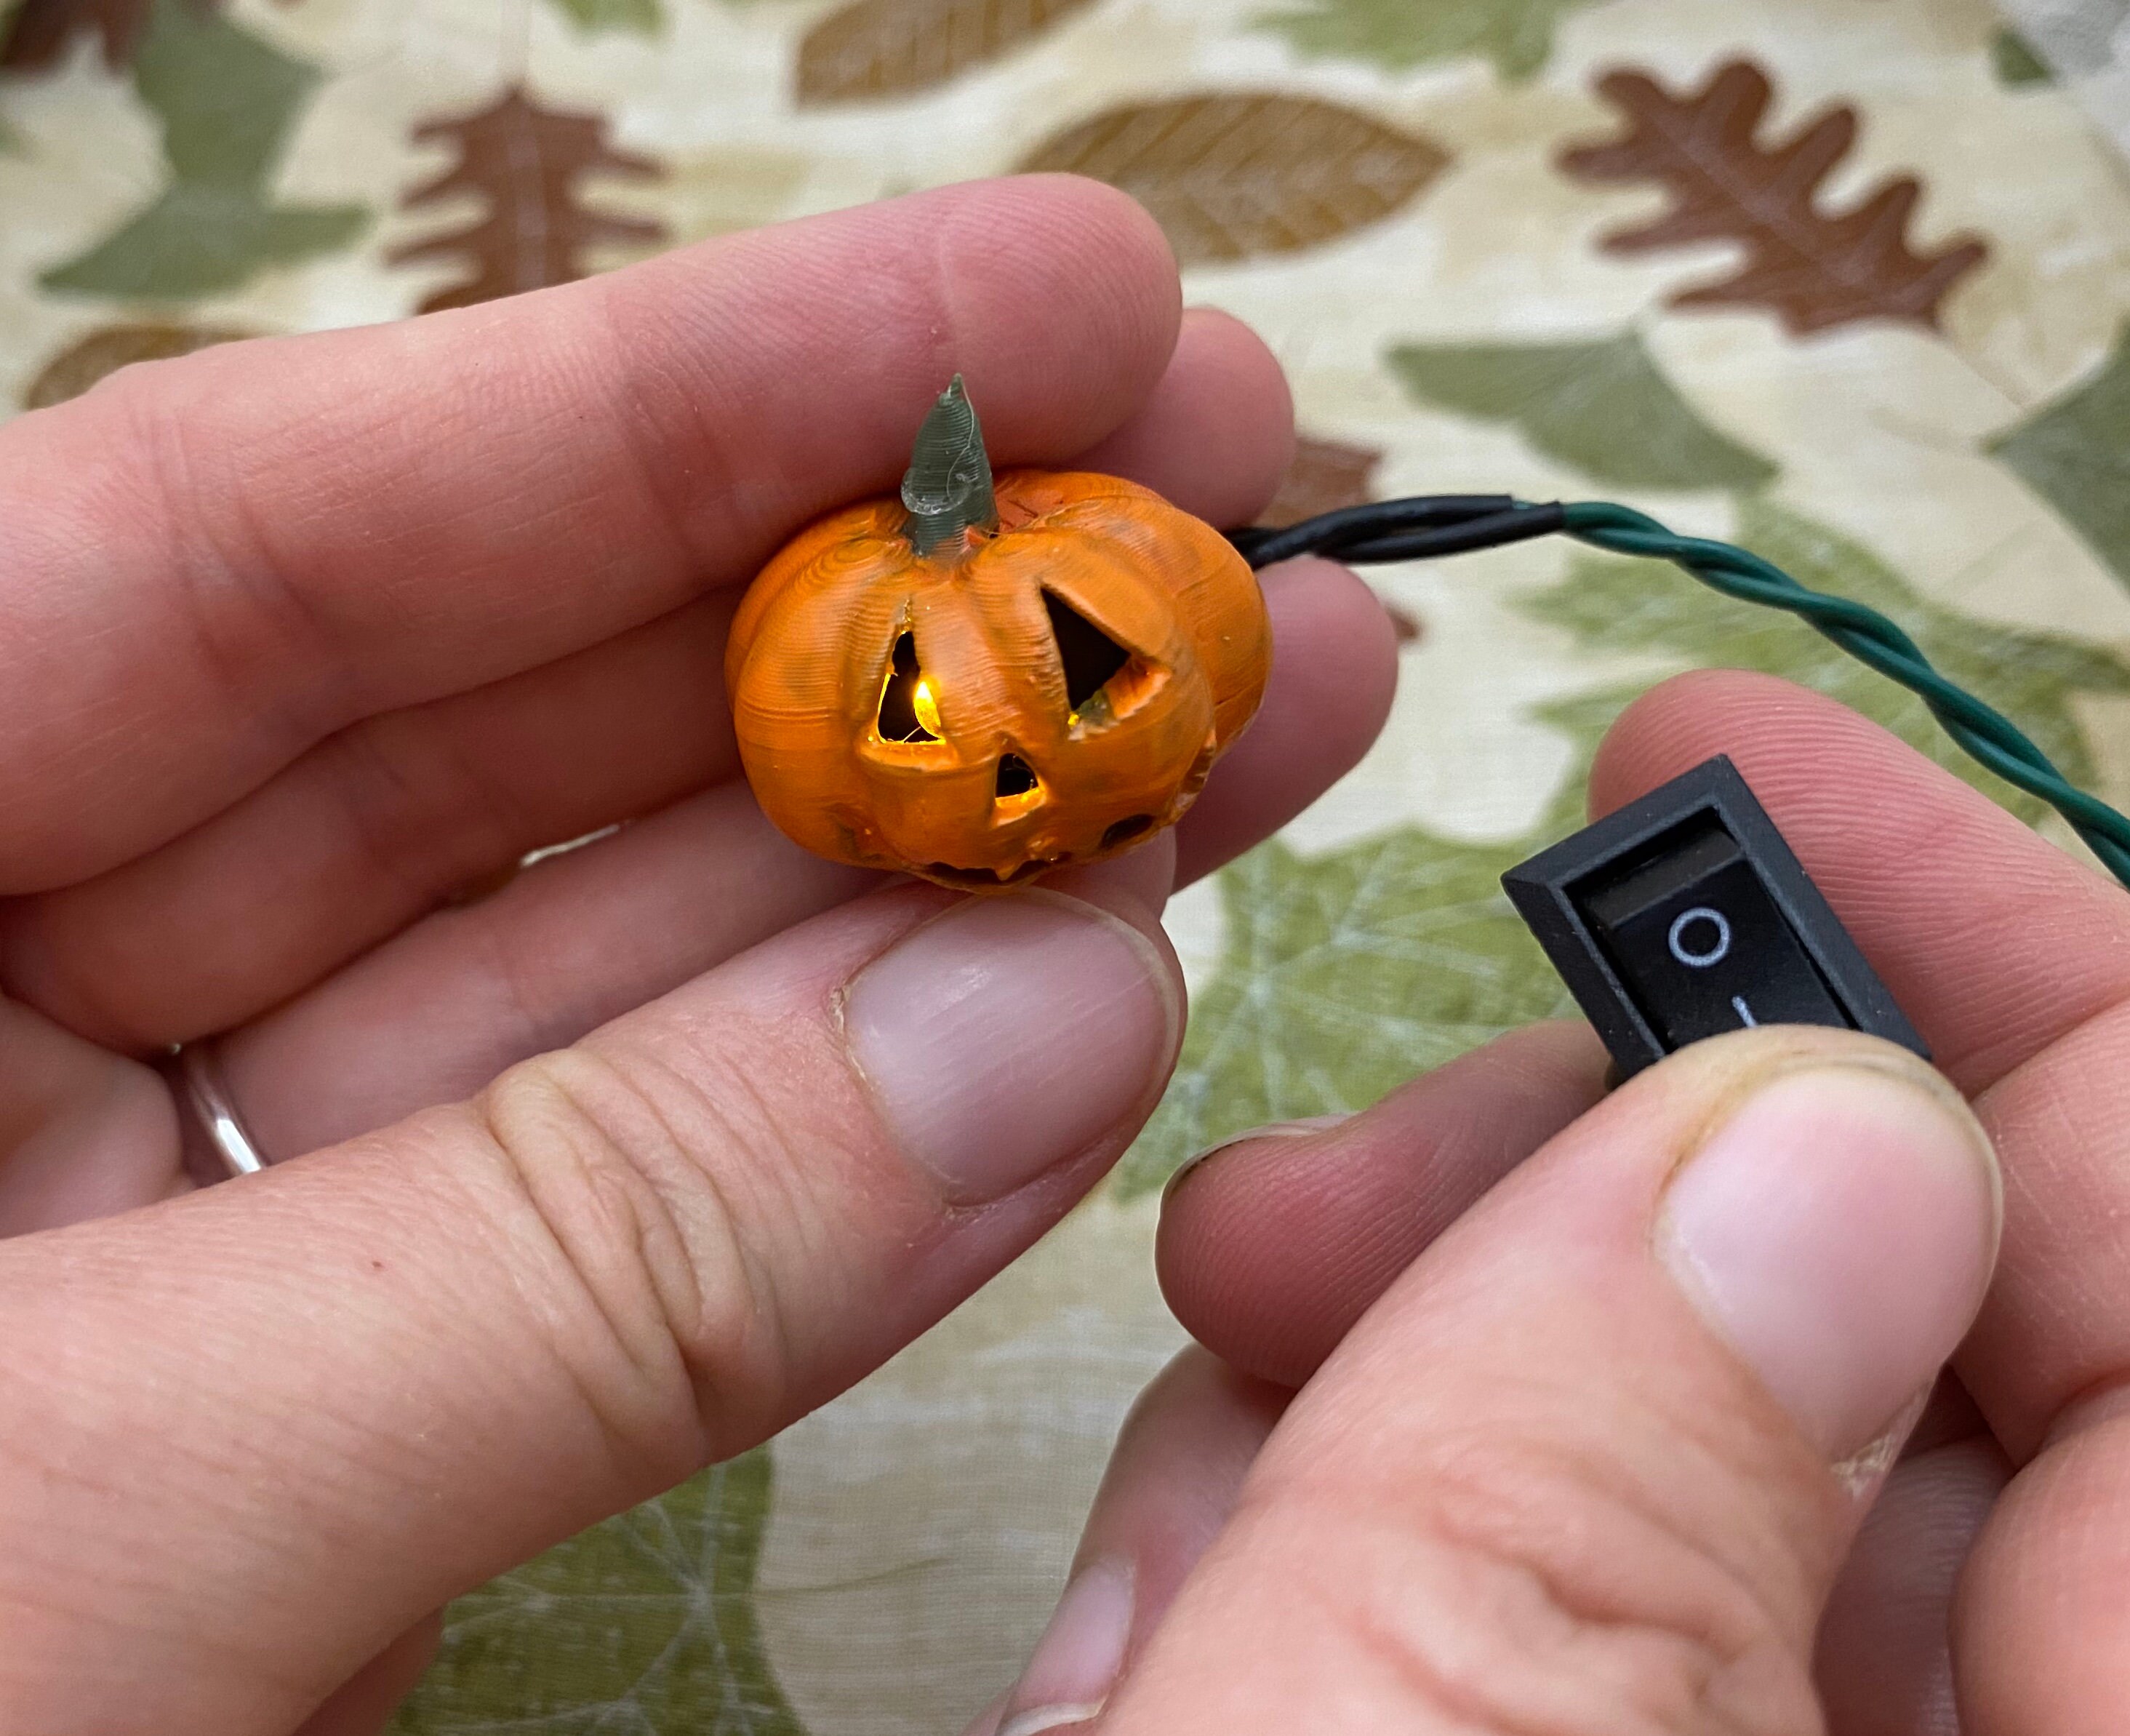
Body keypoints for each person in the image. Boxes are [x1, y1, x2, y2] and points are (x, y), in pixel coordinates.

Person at [0, 175, 2116, 1736]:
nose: (1014, 769)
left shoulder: (1118, 573)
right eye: (927, 720)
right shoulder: (845, 634)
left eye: (1087, 681)